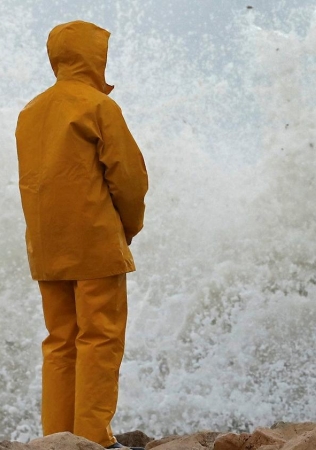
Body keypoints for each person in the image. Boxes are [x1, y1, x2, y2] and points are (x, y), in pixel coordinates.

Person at [15, 20, 148, 450]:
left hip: (46, 248)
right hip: (92, 243)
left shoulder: (30, 112)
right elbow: (129, 180)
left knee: (59, 343)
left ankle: (55, 439)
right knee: (100, 337)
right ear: (92, 57)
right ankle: (94, 439)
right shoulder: (97, 106)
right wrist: (128, 228)